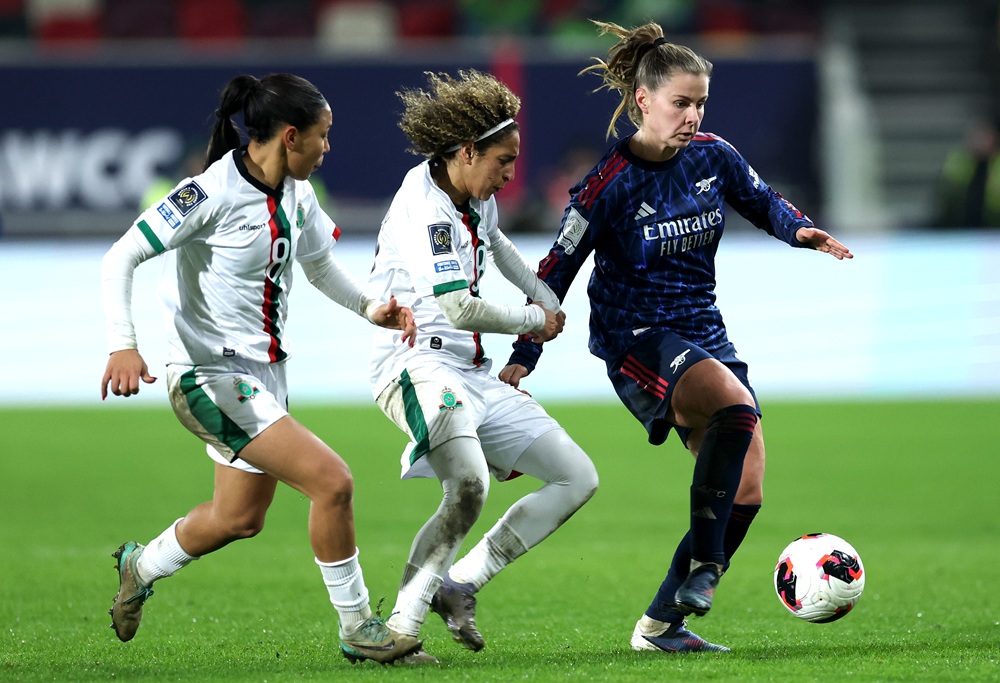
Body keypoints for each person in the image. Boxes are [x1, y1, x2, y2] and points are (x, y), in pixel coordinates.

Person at [500, 21, 854, 654]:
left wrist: (802, 232)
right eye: (680, 103)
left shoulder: (713, 155)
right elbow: (555, 267)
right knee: (736, 406)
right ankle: (705, 571)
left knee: (747, 488)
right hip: (635, 339)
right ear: (644, 100)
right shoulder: (607, 183)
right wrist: (525, 353)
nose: (692, 116)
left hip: (702, 330)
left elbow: (762, 200)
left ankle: (662, 625)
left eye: (700, 104)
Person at [100, 73, 422, 665]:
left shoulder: (299, 192)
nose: (329, 148)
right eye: (323, 137)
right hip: (207, 375)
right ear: (291, 136)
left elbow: (321, 265)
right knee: (333, 482)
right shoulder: (208, 193)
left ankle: (138, 565)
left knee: (238, 517)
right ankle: (359, 629)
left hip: (264, 376)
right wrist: (124, 344)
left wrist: (372, 308)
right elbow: (123, 254)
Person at [366, 70, 599, 662]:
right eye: (503, 159)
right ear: (466, 152)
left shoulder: (474, 195)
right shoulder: (429, 210)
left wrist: (545, 296)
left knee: (577, 477)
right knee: (468, 485)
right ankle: (399, 627)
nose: (510, 172)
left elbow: (500, 249)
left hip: (470, 371)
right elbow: (456, 305)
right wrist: (533, 320)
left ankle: (461, 582)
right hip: (414, 364)